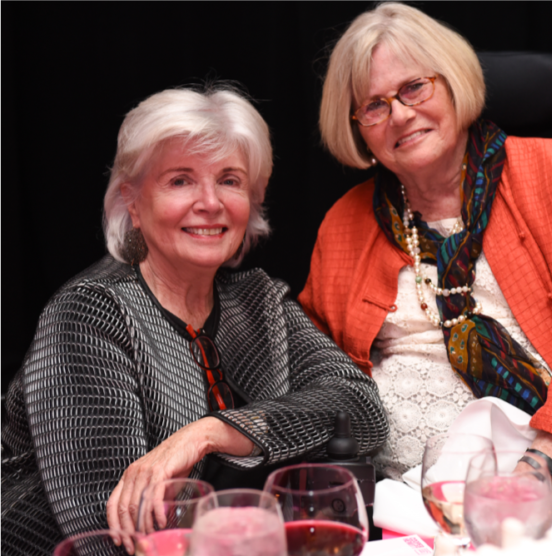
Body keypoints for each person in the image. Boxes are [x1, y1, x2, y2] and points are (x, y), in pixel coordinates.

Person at [298, 2, 552, 484]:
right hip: (403, 495)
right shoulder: (344, 224)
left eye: (413, 88)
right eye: (375, 105)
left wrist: (535, 469)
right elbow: (318, 370)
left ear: (453, 81)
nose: (400, 115)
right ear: (357, 126)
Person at [0, 85, 388, 555]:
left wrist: (209, 434)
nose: (210, 202)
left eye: (229, 180)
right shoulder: (92, 312)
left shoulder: (259, 299)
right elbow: (118, 531)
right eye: (180, 180)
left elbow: (360, 412)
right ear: (133, 203)